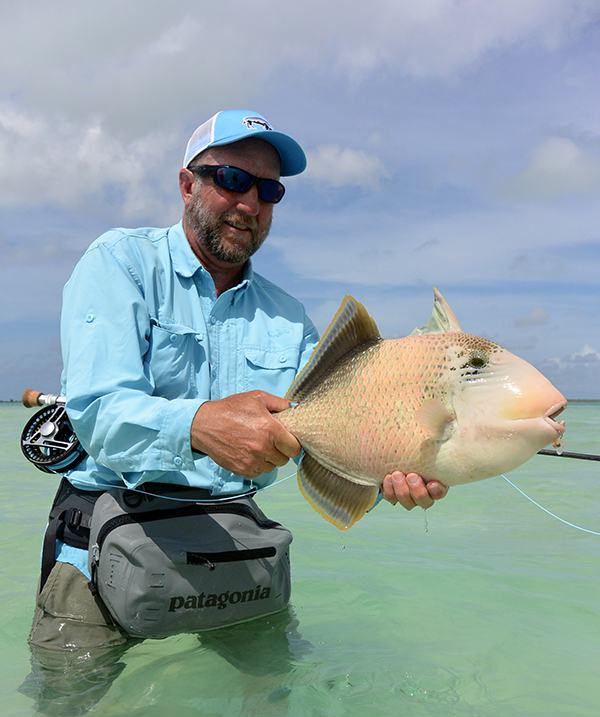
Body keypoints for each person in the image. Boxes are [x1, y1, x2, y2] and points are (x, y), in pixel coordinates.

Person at [28, 109, 447, 656]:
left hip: (238, 546)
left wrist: (386, 466)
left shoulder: (292, 317)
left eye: (269, 190)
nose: (250, 204)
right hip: (105, 537)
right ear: (186, 184)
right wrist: (199, 425)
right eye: (232, 180)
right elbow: (99, 414)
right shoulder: (120, 263)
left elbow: (321, 441)